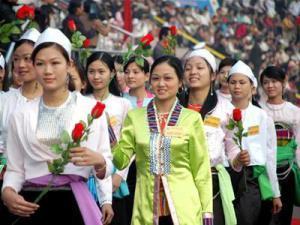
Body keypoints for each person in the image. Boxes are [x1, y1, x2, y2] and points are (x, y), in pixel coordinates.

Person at [1, 28, 113, 225]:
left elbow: (105, 164)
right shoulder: (21, 115)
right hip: (30, 204)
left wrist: (100, 163)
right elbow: (15, 168)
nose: (48, 71)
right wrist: (8, 191)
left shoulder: (89, 110)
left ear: (69, 64)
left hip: (74, 203)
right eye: (40, 64)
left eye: (55, 63)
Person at [113, 55, 213, 225]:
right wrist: (109, 138)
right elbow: (121, 161)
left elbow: (201, 169)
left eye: (168, 78)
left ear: (180, 82)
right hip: (146, 207)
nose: (161, 84)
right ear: (149, 81)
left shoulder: (192, 119)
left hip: (184, 208)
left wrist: (207, 212)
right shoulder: (135, 117)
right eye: (156, 78)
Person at [182, 48, 239, 225]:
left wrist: (238, 159)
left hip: (212, 182)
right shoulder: (174, 106)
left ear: (213, 75)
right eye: (189, 68)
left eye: (200, 67)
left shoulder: (226, 109)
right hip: (178, 182)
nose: (193, 72)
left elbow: (232, 145)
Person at [227, 60, 282, 225]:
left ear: (252, 88)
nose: (237, 86)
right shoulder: (221, 112)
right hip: (226, 176)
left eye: (242, 82)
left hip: (252, 180)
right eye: (233, 82)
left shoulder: (262, 116)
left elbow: (270, 155)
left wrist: (275, 192)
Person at [85, 51, 132, 225]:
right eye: (91, 71)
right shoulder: (80, 102)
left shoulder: (123, 104)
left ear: (112, 73)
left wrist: (120, 175)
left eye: (101, 71)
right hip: (85, 177)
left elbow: (129, 145)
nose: (96, 76)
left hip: (114, 177)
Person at [260, 66, 300, 225]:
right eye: (266, 82)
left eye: (274, 81)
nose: (270, 86)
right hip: (263, 173)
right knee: (263, 216)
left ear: (284, 83)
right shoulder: (258, 110)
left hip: (287, 171)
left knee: (285, 216)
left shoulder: (294, 112)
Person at [122, 56, 154, 223]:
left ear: (147, 75)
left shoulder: (155, 101)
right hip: (124, 161)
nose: (130, 76)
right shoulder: (120, 100)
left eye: (136, 72)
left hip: (147, 162)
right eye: (127, 72)